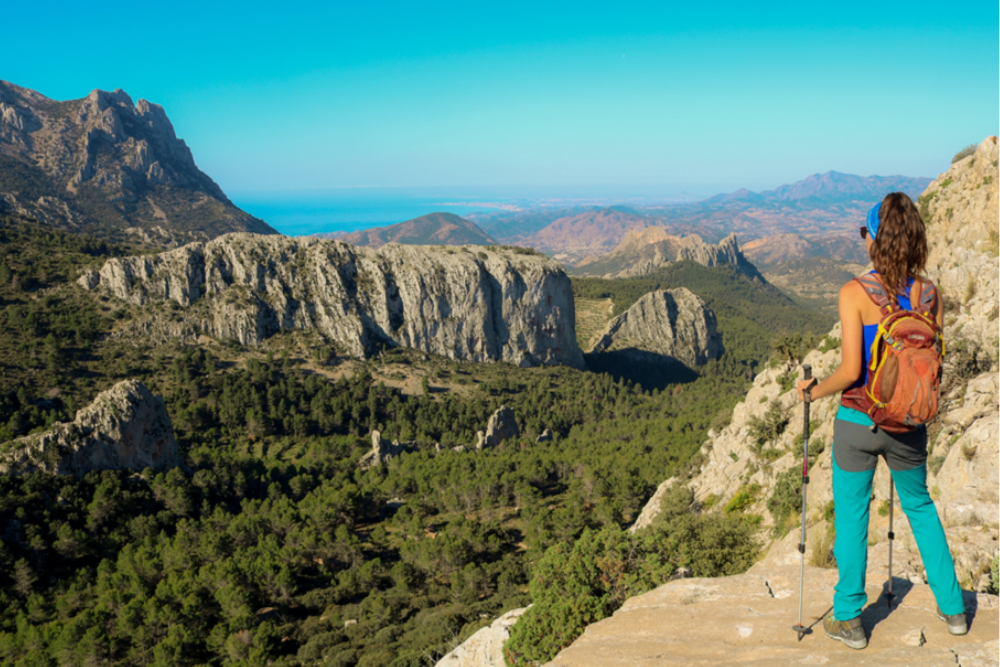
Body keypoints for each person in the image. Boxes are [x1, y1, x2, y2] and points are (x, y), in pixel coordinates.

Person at [795, 192, 966, 650]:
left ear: (875, 239)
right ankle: (953, 609)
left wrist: (813, 390)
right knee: (921, 508)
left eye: (864, 232)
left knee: (852, 517)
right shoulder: (931, 296)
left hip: (859, 425)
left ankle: (849, 617)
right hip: (909, 425)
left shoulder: (854, 293)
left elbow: (851, 372)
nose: (863, 238)